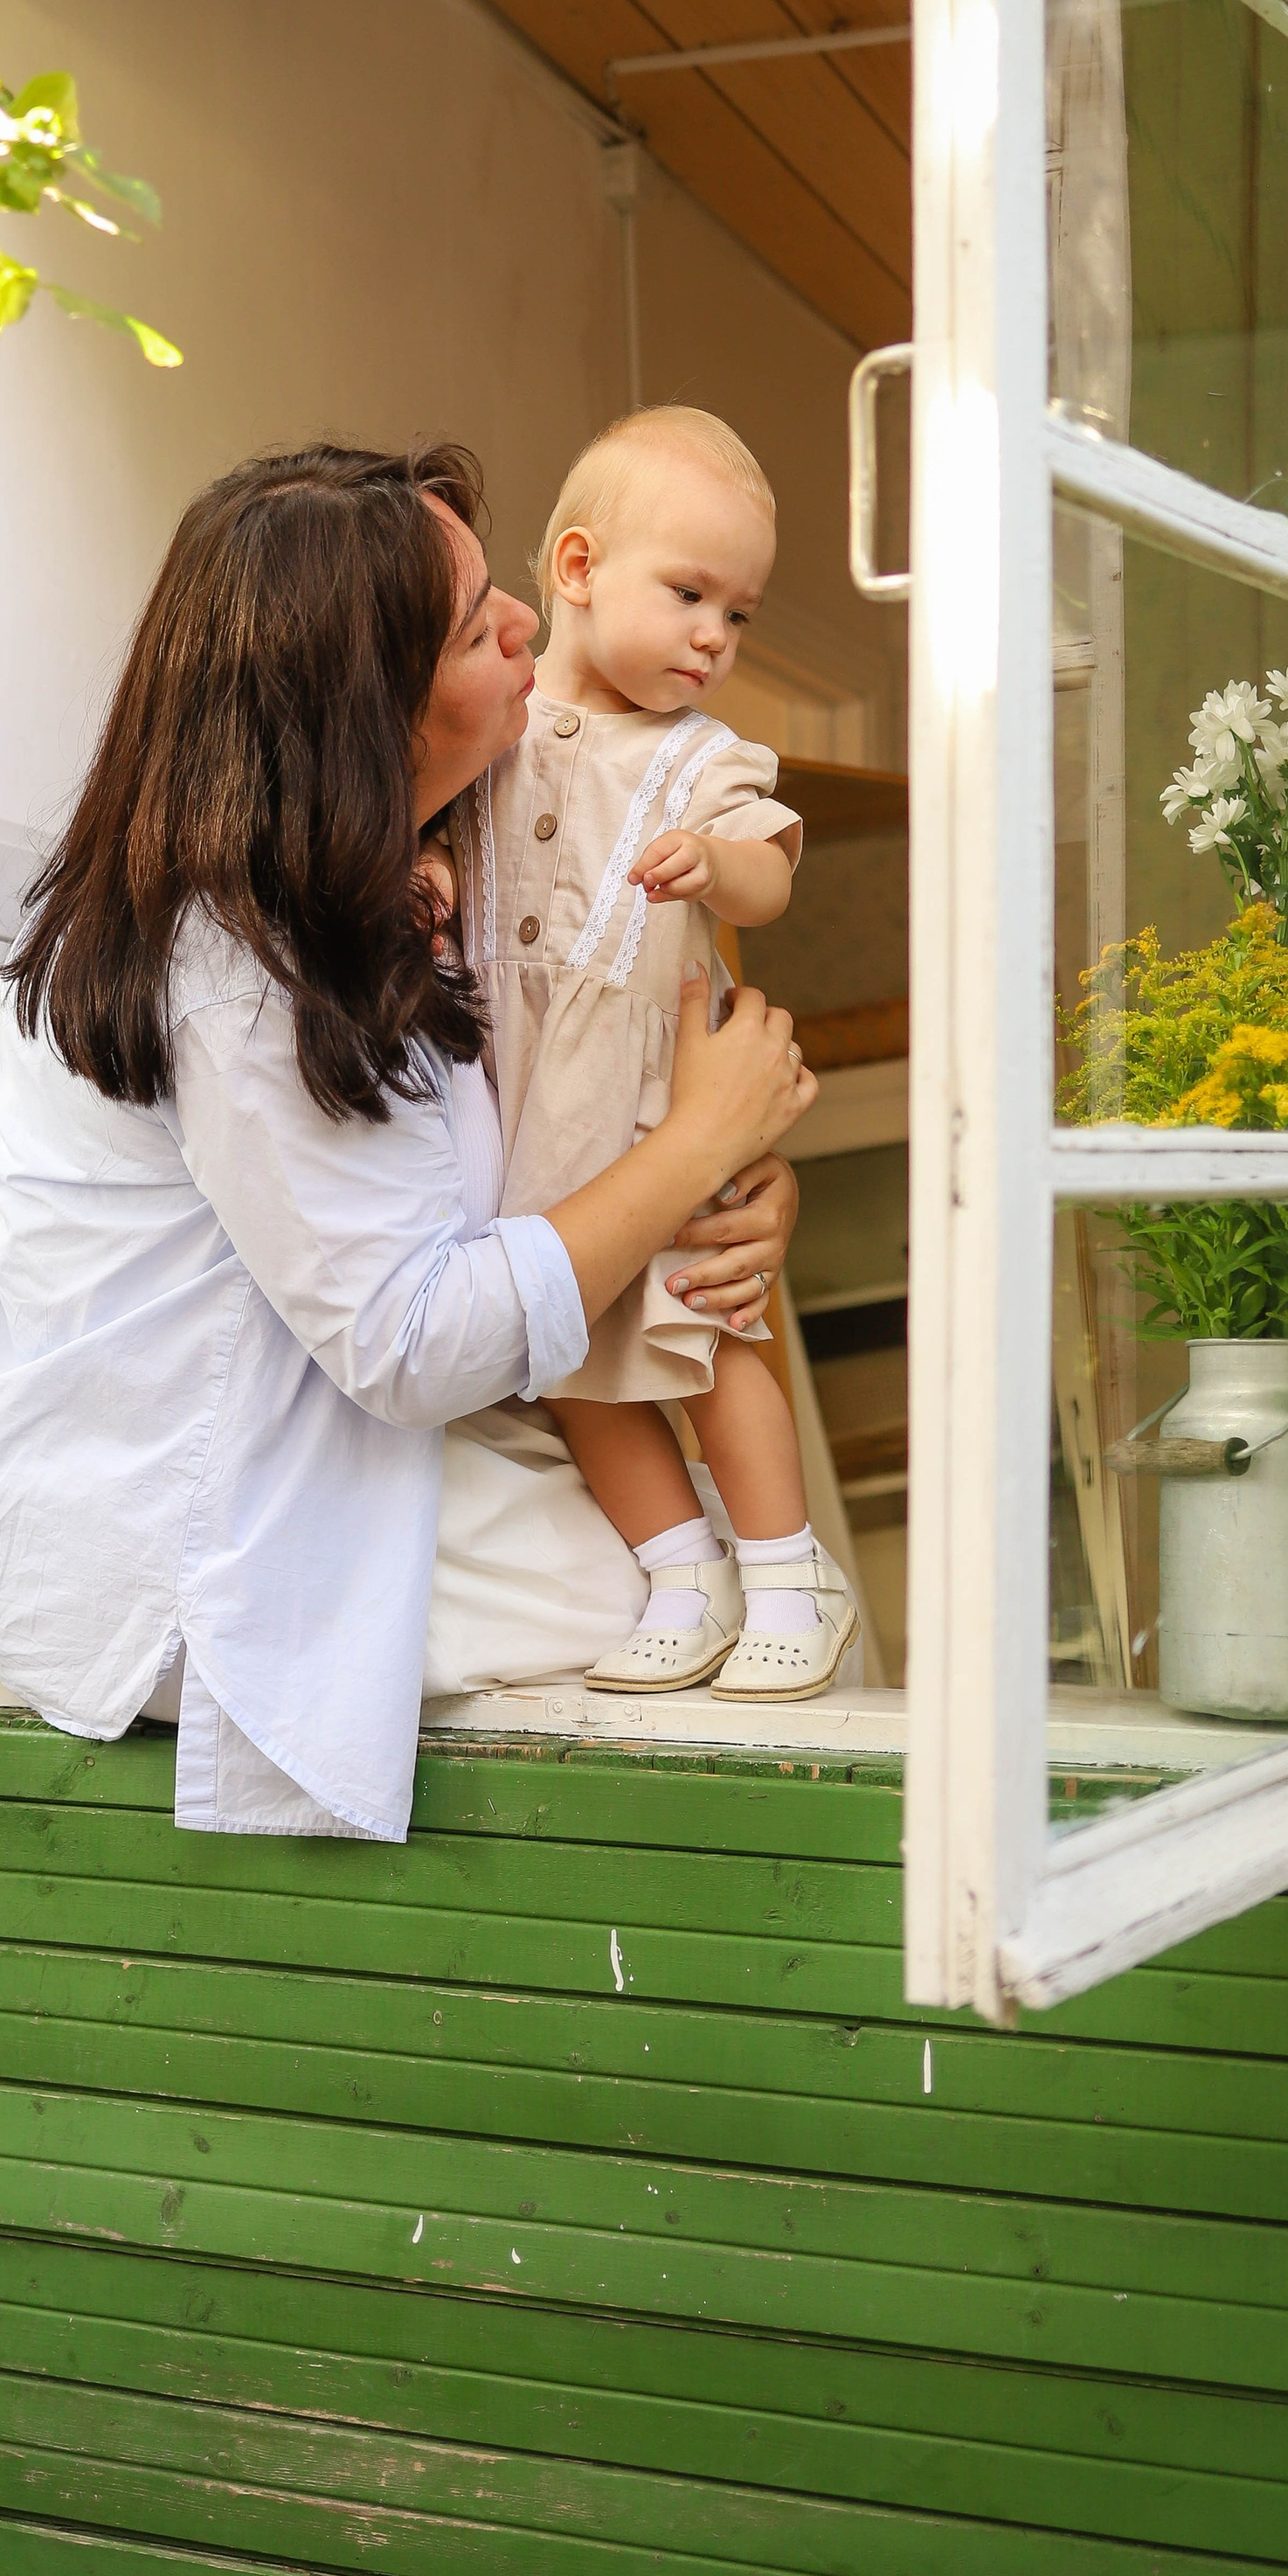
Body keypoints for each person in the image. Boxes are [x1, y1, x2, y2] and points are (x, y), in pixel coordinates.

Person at [0, 442, 814, 1843]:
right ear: (369, 715)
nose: (530, 620)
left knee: (716, 1556)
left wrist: (720, 1180)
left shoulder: (405, 872)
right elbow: (411, 1342)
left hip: (342, 1403)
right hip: (190, 1519)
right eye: (477, 629)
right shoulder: (236, 964)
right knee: (658, 1602)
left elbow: (534, 1140)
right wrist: (690, 1153)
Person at [460, 407, 860, 1701]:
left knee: (709, 1335)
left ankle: (789, 1569)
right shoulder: (492, 738)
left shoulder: (698, 759)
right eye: (690, 595)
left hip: (647, 1110)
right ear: (576, 570)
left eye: (737, 615)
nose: (715, 637)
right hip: (533, 1136)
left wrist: (722, 865)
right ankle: (684, 1572)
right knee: (573, 1364)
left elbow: (771, 872)